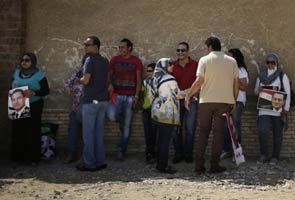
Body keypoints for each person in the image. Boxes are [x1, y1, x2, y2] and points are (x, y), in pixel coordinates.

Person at [185, 36, 239, 174]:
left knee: (203, 132)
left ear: (209, 47)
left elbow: (199, 81)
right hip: (224, 102)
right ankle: (214, 165)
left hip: (205, 102)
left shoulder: (204, 60)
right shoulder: (231, 61)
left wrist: (188, 96)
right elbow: (236, 83)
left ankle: (199, 167)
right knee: (218, 134)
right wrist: (234, 100)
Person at [75, 36, 109, 171]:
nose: (85, 47)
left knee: (88, 134)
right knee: (99, 133)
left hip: (90, 101)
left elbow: (86, 80)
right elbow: (107, 79)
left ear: (96, 46)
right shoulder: (105, 60)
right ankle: (100, 161)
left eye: (87, 44)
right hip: (102, 100)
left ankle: (89, 163)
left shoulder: (89, 60)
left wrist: (78, 80)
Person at [11, 52, 50, 165]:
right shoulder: (16, 73)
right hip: (18, 105)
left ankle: (32, 159)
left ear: (32, 62)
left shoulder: (39, 75)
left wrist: (33, 92)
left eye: (27, 60)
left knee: (32, 131)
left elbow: (46, 91)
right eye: (22, 60)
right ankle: (17, 159)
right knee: (18, 131)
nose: (24, 62)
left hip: (34, 105)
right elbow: (11, 87)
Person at [107, 38, 143, 161]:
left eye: (123, 47)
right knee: (112, 116)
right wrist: (110, 84)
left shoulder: (136, 61)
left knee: (127, 126)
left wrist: (137, 96)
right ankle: (122, 121)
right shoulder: (115, 60)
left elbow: (139, 80)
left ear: (129, 48)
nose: (121, 49)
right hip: (116, 95)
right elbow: (109, 75)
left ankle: (121, 150)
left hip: (130, 96)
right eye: (120, 47)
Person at [254, 53, 291, 165]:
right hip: (264, 109)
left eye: (272, 62)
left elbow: (287, 92)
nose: (270, 64)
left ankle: (275, 156)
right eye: (268, 62)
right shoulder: (261, 76)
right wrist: (259, 90)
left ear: (276, 63)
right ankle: (264, 154)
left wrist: (287, 107)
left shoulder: (281, 76)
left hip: (277, 110)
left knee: (277, 133)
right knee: (263, 131)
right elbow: (255, 91)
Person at [150, 58, 180, 174]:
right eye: (170, 64)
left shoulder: (156, 78)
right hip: (167, 114)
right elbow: (177, 94)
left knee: (160, 139)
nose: (172, 66)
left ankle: (159, 164)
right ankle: (163, 166)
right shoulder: (169, 79)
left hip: (157, 113)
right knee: (165, 141)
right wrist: (189, 92)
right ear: (164, 66)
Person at [171, 42, 198, 163]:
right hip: (175, 101)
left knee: (190, 128)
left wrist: (195, 94)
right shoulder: (172, 66)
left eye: (182, 50)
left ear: (188, 51)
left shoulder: (196, 65)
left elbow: (200, 83)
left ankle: (188, 154)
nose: (180, 53)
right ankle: (178, 153)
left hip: (191, 101)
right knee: (175, 129)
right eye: (178, 50)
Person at [221, 48, 249, 159]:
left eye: (230, 56)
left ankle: (237, 152)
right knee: (226, 127)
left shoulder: (241, 70)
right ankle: (227, 150)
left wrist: (232, 82)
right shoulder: (228, 69)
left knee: (236, 126)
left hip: (238, 101)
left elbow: (244, 87)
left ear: (235, 57)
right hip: (227, 100)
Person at [63, 56, 85, 164]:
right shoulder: (77, 74)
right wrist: (69, 88)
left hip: (88, 109)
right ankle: (71, 154)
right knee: (72, 132)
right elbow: (66, 84)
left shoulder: (96, 76)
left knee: (87, 134)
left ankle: (85, 156)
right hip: (75, 108)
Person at [141, 63, 157, 163]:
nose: (148, 73)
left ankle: (155, 154)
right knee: (148, 133)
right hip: (146, 110)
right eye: (147, 71)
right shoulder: (145, 82)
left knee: (155, 134)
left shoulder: (159, 83)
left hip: (156, 111)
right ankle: (149, 154)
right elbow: (142, 94)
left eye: (150, 71)